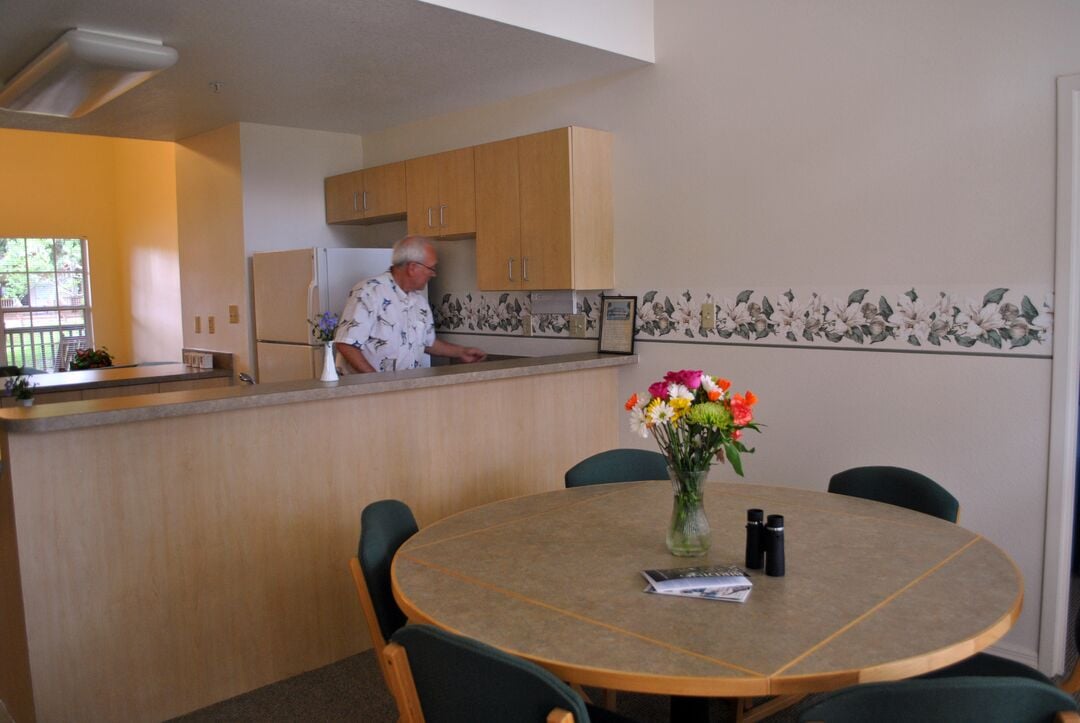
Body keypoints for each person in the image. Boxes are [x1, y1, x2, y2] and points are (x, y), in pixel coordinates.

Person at [334, 235, 486, 374]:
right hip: (365, 393)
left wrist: (461, 352)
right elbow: (346, 344)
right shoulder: (369, 292)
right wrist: (375, 381)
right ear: (413, 268)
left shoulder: (419, 302)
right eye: (431, 268)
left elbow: (428, 343)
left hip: (402, 390)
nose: (433, 274)